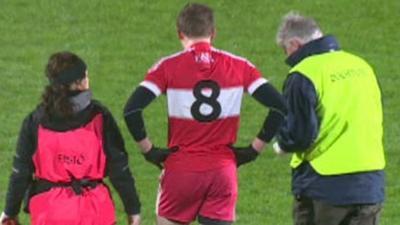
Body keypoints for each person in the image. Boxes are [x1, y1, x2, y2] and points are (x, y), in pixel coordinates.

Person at [123, 3, 287, 225]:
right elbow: (279, 106)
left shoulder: (167, 67)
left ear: (180, 34)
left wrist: (149, 151)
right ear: (213, 33)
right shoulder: (240, 66)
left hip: (181, 171)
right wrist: (252, 150)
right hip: (223, 171)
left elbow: (132, 110)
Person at [0, 52, 141, 225]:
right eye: (86, 76)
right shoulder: (100, 117)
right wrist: (133, 210)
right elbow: (119, 169)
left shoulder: (34, 121)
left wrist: (10, 212)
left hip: (50, 214)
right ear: (80, 83)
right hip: (95, 212)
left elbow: (20, 173)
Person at [273, 12, 385, 225]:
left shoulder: (304, 73)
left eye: (285, 50)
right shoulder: (361, 66)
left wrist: (282, 145)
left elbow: (300, 136)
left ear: (294, 44)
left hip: (326, 187)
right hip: (370, 183)